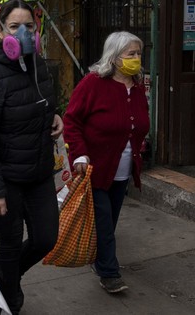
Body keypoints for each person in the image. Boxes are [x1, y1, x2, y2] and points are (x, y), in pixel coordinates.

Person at [0, 1, 64, 314]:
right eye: (14, 27)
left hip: (37, 171)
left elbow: (43, 101)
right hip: (4, 178)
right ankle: (9, 300)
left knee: (46, 239)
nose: (23, 34)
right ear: (0, 30)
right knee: (8, 244)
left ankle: (5, 279)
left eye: (29, 28)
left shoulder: (38, 63)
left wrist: (54, 115)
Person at [63, 31, 150, 294]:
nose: (136, 59)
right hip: (94, 168)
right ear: (114, 57)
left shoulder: (136, 86)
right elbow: (72, 121)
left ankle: (99, 259)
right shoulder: (93, 83)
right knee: (104, 223)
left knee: (109, 222)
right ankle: (110, 273)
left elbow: (138, 123)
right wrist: (78, 153)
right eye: (130, 54)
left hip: (122, 169)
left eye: (138, 54)